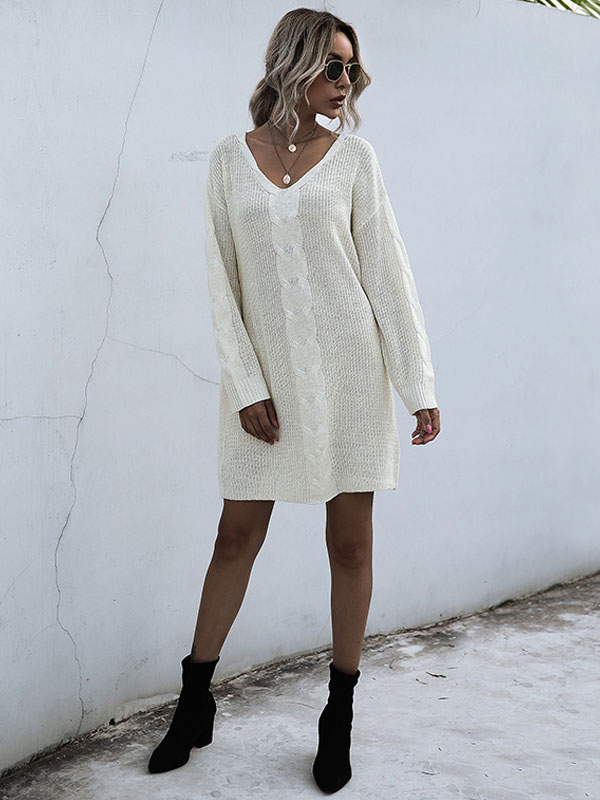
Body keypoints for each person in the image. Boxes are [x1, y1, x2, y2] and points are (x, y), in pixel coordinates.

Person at [148, 7, 441, 794]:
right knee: (234, 539)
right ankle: (194, 699)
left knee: (350, 548)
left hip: (352, 380)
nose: (348, 82)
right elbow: (222, 282)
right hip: (265, 393)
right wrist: (247, 385)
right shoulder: (228, 160)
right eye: (334, 66)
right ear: (295, 64)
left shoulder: (355, 160)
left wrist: (417, 386)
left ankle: (338, 712)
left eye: (354, 69)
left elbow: (388, 276)